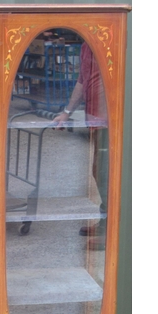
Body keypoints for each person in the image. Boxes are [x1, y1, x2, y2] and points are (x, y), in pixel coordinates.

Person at [52, 42, 108, 250]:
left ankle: (111, 228)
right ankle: (105, 221)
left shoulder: (109, 40)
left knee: (106, 172)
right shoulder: (87, 44)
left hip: (110, 120)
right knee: (98, 171)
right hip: (95, 119)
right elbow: (82, 82)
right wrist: (66, 112)